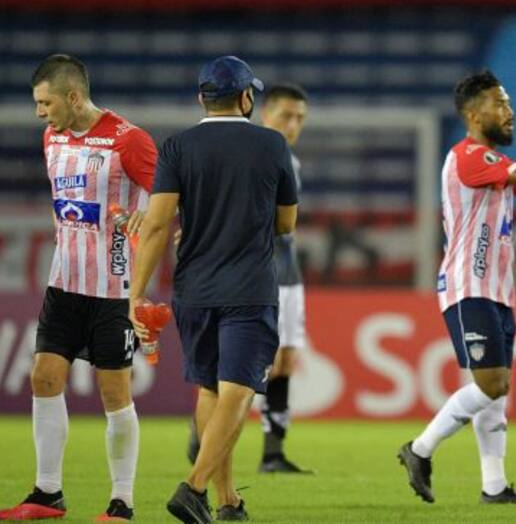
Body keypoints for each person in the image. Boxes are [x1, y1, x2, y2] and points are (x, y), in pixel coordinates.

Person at [397, 70, 516, 505]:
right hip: (470, 285)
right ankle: (420, 449)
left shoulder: (492, 165)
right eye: (500, 103)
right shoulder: (470, 156)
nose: (510, 111)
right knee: (492, 384)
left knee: (495, 393)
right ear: (473, 114)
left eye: (508, 102)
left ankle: (495, 486)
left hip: (496, 289)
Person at [129, 56, 298, 524]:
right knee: (238, 392)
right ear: (245, 98)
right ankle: (194, 488)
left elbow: (157, 224)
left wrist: (135, 294)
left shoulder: (177, 146)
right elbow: (286, 223)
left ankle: (227, 501)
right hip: (249, 288)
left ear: (201, 98)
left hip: (194, 290)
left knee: (209, 390)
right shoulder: (271, 144)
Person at [0, 55, 156, 523]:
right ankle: (48, 493)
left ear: (73, 96)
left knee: (115, 394)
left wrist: (148, 216)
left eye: (45, 103)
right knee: (44, 377)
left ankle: (122, 502)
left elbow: (170, 198)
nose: (39, 113)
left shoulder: (129, 139)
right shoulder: (52, 136)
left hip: (113, 290)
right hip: (63, 285)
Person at [257, 83, 313, 473]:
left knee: (286, 361)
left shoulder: (290, 161)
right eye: (286, 116)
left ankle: (273, 453)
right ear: (266, 115)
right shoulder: (255, 157)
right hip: (262, 274)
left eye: (299, 118)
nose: (293, 125)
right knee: (258, 363)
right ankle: (202, 438)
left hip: (289, 273)